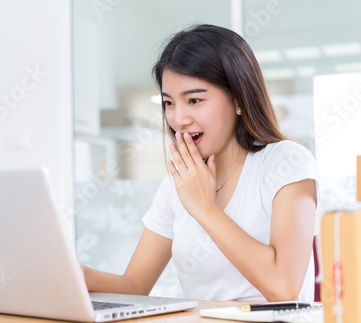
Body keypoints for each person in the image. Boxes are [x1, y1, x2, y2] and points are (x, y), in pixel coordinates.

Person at [81, 24, 318, 302]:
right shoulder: (178, 183)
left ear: (239, 99)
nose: (179, 118)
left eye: (194, 100)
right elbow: (135, 285)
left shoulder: (286, 162)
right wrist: (79, 275)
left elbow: (284, 287)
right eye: (168, 103)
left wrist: (205, 208)